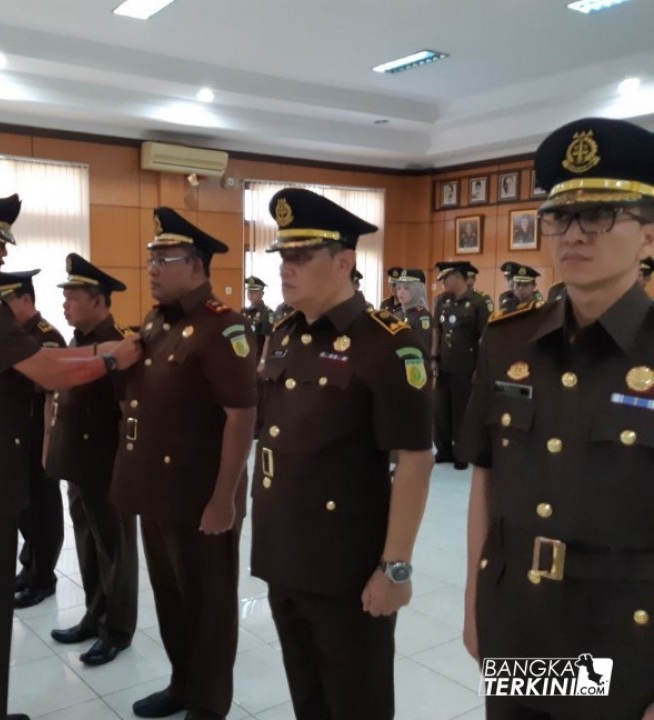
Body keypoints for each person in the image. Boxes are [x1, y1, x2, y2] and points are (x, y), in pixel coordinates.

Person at [460, 117, 654, 720]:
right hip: (520, 617)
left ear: (649, 236)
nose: (575, 233)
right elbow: (486, 480)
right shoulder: (509, 344)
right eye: (560, 216)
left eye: (599, 215)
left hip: (622, 636)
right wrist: (473, 603)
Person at [0, 191, 141, 720]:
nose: (3, 253)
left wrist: (101, 350)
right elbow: (46, 372)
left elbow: (40, 356)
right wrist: (115, 359)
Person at [252, 190, 433, 720]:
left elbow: (416, 460)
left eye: (300, 256)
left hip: (347, 565)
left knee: (358, 700)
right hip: (284, 553)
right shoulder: (284, 336)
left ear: (344, 261)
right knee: (308, 696)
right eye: (283, 256)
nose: (286, 268)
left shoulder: (387, 345)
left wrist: (394, 567)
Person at [111, 207, 257, 720]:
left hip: (201, 497)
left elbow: (242, 417)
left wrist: (225, 500)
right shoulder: (157, 319)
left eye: (164, 259)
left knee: (210, 607)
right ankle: (182, 685)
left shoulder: (224, 328)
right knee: (171, 597)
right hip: (157, 491)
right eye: (150, 258)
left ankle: (209, 706)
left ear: (196, 267)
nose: (150, 268)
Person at [47, 253, 139, 666]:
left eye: (73, 296)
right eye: (64, 296)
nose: (65, 304)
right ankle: (94, 615)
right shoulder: (78, 341)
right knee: (87, 544)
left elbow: (129, 414)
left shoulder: (120, 344)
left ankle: (117, 629)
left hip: (108, 467)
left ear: (98, 300)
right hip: (78, 465)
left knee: (115, 549)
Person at [0, 268, 67, 610]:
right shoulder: (13, 335)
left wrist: (49, 446)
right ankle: (30, 567)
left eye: (7, 300)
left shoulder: (46, 336)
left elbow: (51, 394)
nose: (2, 308)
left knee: (43, 509)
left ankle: (45, 578)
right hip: (16, 436)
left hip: (39, 436)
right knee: (24, 509)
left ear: (26, 299)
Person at [431, 261, 490, 470]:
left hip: (466, 365)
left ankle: (462, 452)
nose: (444, 283)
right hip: (445, 362)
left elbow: (485, 337)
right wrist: (433, 358)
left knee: (462, 411)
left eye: (446, 278)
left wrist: (480, 367)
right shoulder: (442, 301)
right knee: (441, 409)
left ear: (458, 277)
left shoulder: (478, 302)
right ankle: (444, 449)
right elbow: (436, 330)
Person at [394, 268, 433, 354]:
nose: (401, 292)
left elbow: (423, 349)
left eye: (406, 288)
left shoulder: (423, 316)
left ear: (417, 290)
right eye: (399, 288)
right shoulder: (402, 314)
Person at [242, 276, 273, 358]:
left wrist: (263, 361)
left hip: (257, 357)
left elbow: (268, 340)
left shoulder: (267, 313)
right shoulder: (244, 311)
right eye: (249, 291)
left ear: (262, 294)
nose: (251, 294)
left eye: (254, 292)